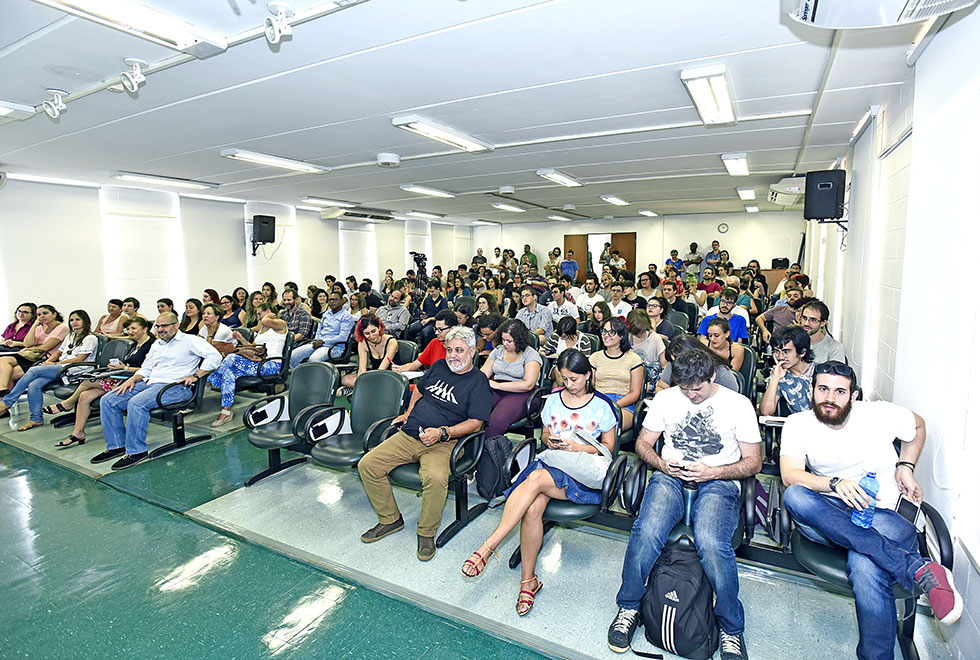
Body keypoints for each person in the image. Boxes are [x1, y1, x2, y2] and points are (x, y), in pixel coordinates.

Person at [780, 362, 963, 660]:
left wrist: (906, 465)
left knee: (865, 565)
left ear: (853, 396)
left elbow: (918, 426)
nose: (830, 398)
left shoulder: (878, 414)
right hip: (830, 513)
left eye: (840, 392)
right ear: (812, 390)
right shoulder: (798, 423)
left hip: (883, 516)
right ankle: (916, 568)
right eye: (823, 389)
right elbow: (790, 475)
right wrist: (835, 484)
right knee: (796, 496)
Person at [608, 349, 761, 659]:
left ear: (713, 377)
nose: (691, 394)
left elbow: (754, 462)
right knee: (646, 532)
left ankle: (731, 627)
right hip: (672, 476)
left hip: (719, 479)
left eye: (698, 388)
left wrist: (714, 471)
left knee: (712, 543)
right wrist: (663, 464)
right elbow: (643, 443)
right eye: (685, 387)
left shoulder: (738, 404)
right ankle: (629, 607)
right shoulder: (667, 399)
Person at [462, 348, 617, 613]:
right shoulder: (554, 399)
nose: (568, 385)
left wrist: (575, 448)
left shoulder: (602, 405)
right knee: (533, 508)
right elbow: (545, 435)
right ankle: (528, 582)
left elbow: (609, 448)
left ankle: (490, 545)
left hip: (580, 476)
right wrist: (552, 441)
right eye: (564, 379)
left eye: (574, 379)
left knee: (534, 479)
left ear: (588, 375)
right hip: (552, 465)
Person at [358, 326, 491, 561]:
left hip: (445, 443)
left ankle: (426, 532)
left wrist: (442, 432)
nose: (452, 355)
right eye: (449, 349)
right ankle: (390, 519)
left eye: (459, 350)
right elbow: (419, 390)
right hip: (410, 434)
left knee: (436, 478)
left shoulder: (479, 382)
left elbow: (476, 423)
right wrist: (408, 413)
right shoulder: (439, 367)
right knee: (368, 465)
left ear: (472, 352)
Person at [96, 312, 221, 470]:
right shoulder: (157, 344)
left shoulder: (190, 341)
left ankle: (137, 451)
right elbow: (146, 368)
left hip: (176, 386)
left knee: (136, 403)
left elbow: (215, 356)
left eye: (165, 326)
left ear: (176, 325)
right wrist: (132, 380)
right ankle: (116, 446)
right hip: (151, 383)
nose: (160, 329)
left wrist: (197, 375)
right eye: (158, 326)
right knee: (108, 400)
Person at [47, 316, 155, 448]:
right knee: (84, 396)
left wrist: (125, 368)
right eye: (128, 329)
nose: (130, 331)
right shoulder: (134, 344)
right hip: (121, 375)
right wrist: (120, 366)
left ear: (144, 329)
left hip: (135, 380)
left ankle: (67, 404)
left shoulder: (152, 345)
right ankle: (78, 433)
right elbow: (129, 363)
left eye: (134, 328)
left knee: (89, 381)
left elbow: (148, 369)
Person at [0, 310, 98, 431]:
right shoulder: (70, 336)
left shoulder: (90, 338)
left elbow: (79, 358)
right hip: (60, 368)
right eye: (72, 320)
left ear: (85, 321)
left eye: (78, 319)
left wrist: (54, 363)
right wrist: (48, 362)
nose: (74, 322)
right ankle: (36, 418)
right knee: (33, 385)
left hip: (74, 370)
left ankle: (7, 401)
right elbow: (59, 352)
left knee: (33, 371)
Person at [208, 303, 288, 427]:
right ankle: (226, 411)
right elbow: (253, 348)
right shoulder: (262, 328)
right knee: (229, 372)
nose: (259, 318)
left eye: (259, 314)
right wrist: (241, 339)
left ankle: (210, 381)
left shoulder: (281, 324)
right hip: (258, 361)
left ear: (268, 311)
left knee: (231, 357)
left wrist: (268, 315)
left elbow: (267, 321)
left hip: (271, 365)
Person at [481, 319, 542, 438]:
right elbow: (483, 374)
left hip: (523, 392)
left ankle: (487, 454)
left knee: (496, 422)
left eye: (509, 341)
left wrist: (498, 385)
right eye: (503, 339)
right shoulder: (498, 351)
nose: (505, 344)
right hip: (498, 389)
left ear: (519, 340)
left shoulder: (531, 354)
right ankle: (471, 448)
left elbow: (528, 384)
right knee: (476, 410)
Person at [0, 304, 69, 397]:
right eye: (39, 314)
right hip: (31, 355)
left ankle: (5, 402)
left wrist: (33, 347)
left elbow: (45, 347)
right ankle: (2, 390)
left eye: (45, 313)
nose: (42, 316)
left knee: (12, 374)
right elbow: (27, 343)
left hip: (44, 358)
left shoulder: (62, 327)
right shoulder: (39, 328)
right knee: (3, 361)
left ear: (54, 314)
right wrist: (35, 325)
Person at [590, 317, 643, 428]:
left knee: (609, 425)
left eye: (611, 332)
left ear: (621, 336)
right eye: (604, 331)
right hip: (599, 401)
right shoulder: (595, 357)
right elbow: (590, 386)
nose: (605, 335)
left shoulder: (634, 359)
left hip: (623, 404)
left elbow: (635, 393)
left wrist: (613, 405)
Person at [289, 291, 356, 368]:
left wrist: (323, 341)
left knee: (314, 359)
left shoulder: (346, 316)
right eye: (330, 300)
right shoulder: (326, 314)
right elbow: (319, 329)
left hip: (334, 347)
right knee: (292, 356)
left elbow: (343, 337)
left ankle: (315, 380)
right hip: (318, 343)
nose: (332, 302)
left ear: (342, 301)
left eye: (335, 299)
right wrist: (316, 339)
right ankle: (301, 378)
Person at [338, 313, 399, 395]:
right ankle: (362, 388)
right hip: (374, 374)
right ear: (362, 334)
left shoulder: (391, 342)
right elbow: (362, 370)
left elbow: (381, 370)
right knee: (345, 379)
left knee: (379, 383)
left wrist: (365, 381)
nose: (371, 336)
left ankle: (357, 389)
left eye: (373, 331)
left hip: (389, 376)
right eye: (367, 333)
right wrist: (362, 379)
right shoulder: (363, 343)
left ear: (379, 327)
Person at [759, 325, 814, 416]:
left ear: (802, 352)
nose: (780, 357)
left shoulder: (821, 374)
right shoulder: (780, 376)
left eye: (786, 352)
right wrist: (775, 379)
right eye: (776, 351)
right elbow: (766, 412)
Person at [657, 334, 740, 394]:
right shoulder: (675, 363)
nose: (677, 364)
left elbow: (732, 402)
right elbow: (660, 387)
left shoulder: (721, 372)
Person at [626, 309, 665, 393]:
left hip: (650, 381)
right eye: (636, 332)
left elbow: (664, 365)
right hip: (631, 379)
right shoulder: (628, 338)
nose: (640, 334)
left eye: (642, 331)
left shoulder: (655, 339)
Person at [799, 300, 846, 364]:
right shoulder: (793, 342)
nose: (807, 323)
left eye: (813, 320)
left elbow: (835, 373)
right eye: (804, 318)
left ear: (823, 323)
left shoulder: (834, 348)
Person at [407, 279, 449, 348]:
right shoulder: (428, 299)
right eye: (430, 292)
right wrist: (423, 315)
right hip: (425, 320)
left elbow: (443, 315)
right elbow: (424, 310)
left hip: (435, 322)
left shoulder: (442, 301)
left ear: (438, 289)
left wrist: (430, 319)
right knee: (411, 328)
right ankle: (412, 348)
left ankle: (427, 350)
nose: (431, 294)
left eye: (433, 291)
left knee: (426, 332)